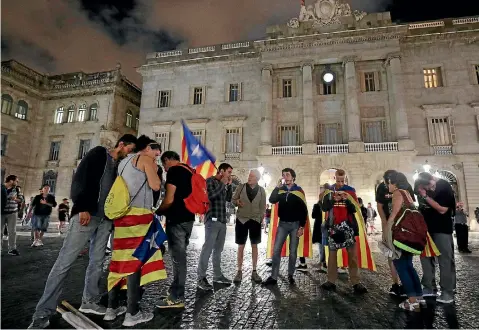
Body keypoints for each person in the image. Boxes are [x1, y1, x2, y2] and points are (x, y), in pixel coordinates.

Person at [28, 134, 137, 329]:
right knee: (64, 263)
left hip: (104, 219)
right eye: (129, 149)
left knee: (97, 262)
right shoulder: (98, 153)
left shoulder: (119, 166)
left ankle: (90, 301)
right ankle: (42, 312)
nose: (129, 153)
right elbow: (80, 179)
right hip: (87, 214)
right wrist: (82, 206)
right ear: (122, 144)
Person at [107, 135, 164, 326]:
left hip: (122, 215)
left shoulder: (123, 162)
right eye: (155, 149)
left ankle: (111, 308)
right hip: (139, 216)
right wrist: (155, 170)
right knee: (135, 262)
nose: (158, 153)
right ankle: (132, 313)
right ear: (146, 148)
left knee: (118, 260)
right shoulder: (146, 160)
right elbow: (155, 185)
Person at [155, 151, 195, 308]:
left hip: (176, 219)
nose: (164, 168)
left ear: (167, 160)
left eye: (163, 164)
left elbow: (169, 198)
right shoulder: (189, 170)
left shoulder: (174, 171)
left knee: (178, 260)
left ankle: (177, 297)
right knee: (181, 258)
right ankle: (175, 291)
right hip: (189, 219)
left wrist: (158, 210)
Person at [320, 169, 368, 293]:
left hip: (348, 227)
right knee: (332, 255)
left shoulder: (351, 191)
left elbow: (355, 209)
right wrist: (333, 200)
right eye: (338, 180)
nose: (340, 183)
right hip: (333, 227)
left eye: (343, 180)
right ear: (335, 178)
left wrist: (346, 199)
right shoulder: (329, 192)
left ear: (345, 179)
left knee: (352, 256)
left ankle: (356, 282)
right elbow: (324, 207)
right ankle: (330, 281)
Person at [384, 171, 424, 311]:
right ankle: (419, 297)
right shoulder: (407, 193)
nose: (388, 185)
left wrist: (387, 233)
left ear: (394, 183)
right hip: (411, 235)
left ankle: (412, 302)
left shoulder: (397, 193)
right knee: (408, 265)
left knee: (400, 266)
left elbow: (394, 214)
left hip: (401, 235)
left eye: (389, 182)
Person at [263, 168, 309, 286]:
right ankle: (273, 277)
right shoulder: (281, 190)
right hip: (282, 224)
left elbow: (304, 211)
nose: (285, 177)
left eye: (287, 175)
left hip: (295, 225)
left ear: (293, 177)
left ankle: (290, 274)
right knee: (276, 249)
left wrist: (302, 227)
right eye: (283, 175)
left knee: (293, 252)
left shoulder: (299, 191)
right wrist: (277, 187)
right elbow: (272, 200)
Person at [416, 171, 456, 304]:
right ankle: (428, 286)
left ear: (433, 178)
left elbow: (442, 209)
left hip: (442, 229)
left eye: (430, 186)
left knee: (445, 260)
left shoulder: (444, 186)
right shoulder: (421, 187)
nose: (429, 189)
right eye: (426, 187)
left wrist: (425, 196)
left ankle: (447, 291)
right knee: (425, 258)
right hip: (426, 229)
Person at [376, 170, 415, 297]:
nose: (386, 186)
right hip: (392, 225)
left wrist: (388, 226)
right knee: (392, 256)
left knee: (401, 258)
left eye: (387, 183)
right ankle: (396, 283)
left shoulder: (402, 190)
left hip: (400, 227)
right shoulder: (382, 187)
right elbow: (380, 206)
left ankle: (409, 290)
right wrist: (384, 223)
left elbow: (409, 205)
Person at [197, 163, 234, 290]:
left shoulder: (224, 184)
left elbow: (228, 199)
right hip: (212, 219)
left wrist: (228, 187)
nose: (230, 174)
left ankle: (217, 276)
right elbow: (211, 196)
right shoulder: (210, 181)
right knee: (207, 248)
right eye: (229, 172)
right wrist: (223, 184)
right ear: (221, 171)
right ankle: (201, 277)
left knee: (218, 250)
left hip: (222, 220)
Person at [232, 169, 266, 284]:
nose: (249, 177)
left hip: (255, 221)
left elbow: (262, 207)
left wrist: (260, 218)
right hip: (241, 219)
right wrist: (237, 202)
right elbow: (233, 199)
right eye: (249, 175)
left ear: (257, 178)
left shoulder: (261, 190)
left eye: (251, 176)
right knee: (241, 246)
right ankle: (239, 271)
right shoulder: (241, 187)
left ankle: (254, 271)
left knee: (254, 246)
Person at [312, 184, 330, 272]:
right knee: (325, 245)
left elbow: (313, 215)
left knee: (321, 245)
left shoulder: (317, 205)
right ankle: (324, 262)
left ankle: (323, 262)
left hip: (320, 228)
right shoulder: (330, 204)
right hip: (325, 227)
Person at [1, 175, 20, 255]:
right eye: (16, 181)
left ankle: (12, 249)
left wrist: (15, 199)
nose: (17, 182)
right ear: (11, 181)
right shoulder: (1, 188)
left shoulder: (17, 190)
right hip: (1, 213)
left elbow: (21, 199)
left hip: (12, 213)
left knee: (12, 231)